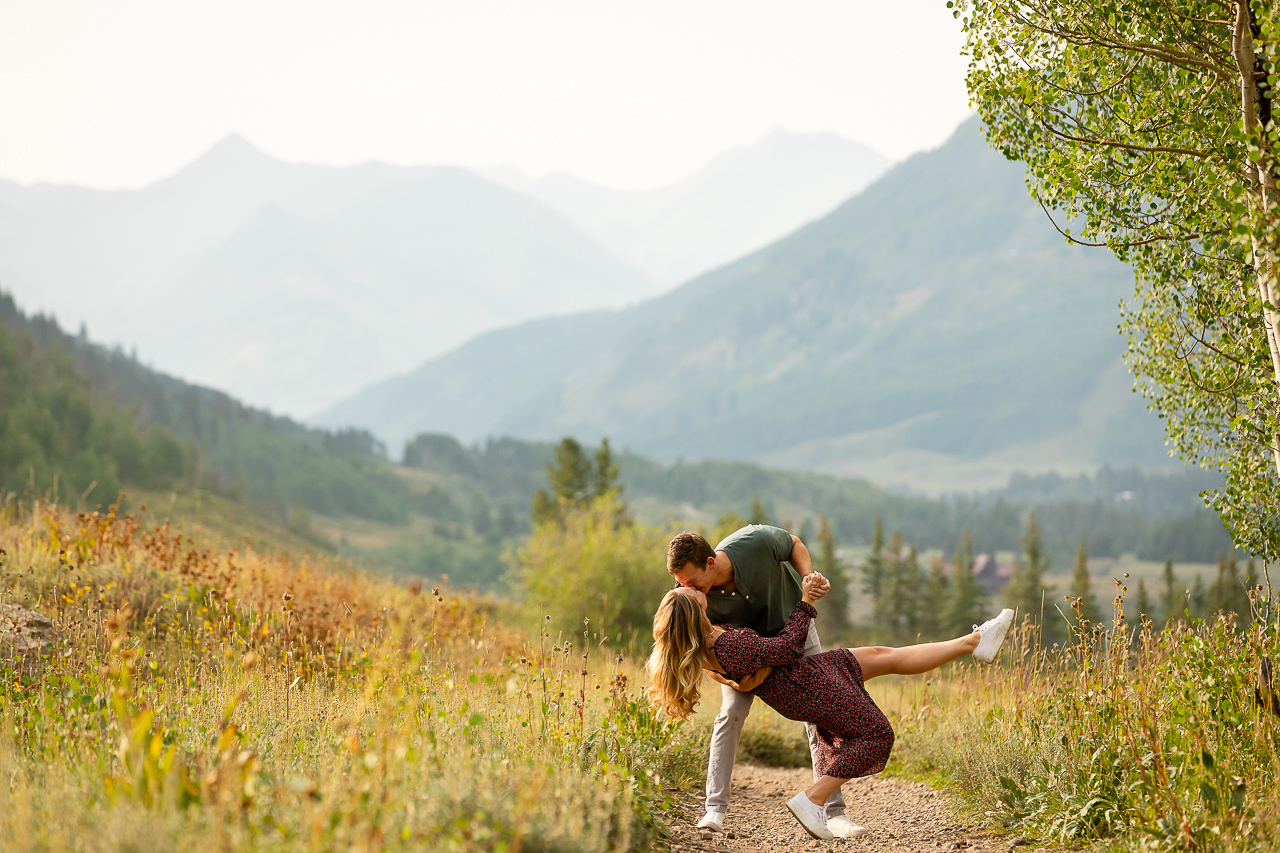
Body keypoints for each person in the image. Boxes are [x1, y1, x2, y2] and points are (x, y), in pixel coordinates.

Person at [647, 575, 1014, 840]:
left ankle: (975, 641)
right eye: (690, 594)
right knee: (877, 735)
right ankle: (813, 799)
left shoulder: (712, 641)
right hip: (809, 685)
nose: (692, 589)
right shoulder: (729, 647)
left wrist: (731, 678)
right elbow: (789, 647)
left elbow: (741, 664)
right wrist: (806, 602)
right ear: (694, 614)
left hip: (809, 676)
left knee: (884, 656)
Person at [666, 526, 855, 834]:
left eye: (691, 581)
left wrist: (809, 576)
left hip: (795, 629)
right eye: (681, 582)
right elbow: (696, 648)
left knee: (821, 713)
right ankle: (714, 810)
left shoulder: (754, 542)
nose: (685, 587)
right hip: (741, 658)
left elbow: (793, 543)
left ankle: (834, 813)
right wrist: (728, 679)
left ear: (710, 564)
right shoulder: (686, 594)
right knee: (731, 714)